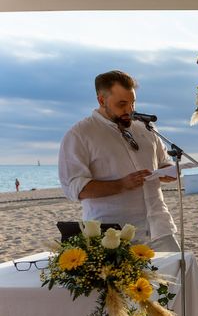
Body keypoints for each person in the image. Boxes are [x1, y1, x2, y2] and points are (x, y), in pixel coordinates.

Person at [58, 70, 179, 251]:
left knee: (178, 275)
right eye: (122, 104)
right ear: (101, 100)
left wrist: (168, 172)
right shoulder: (80, 135)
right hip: (114, 237)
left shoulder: (146, 129)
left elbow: (163, 162)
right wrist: (122, 184)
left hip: (159, 228)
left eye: (132, 103)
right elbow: (74, 188)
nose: (129, 110)